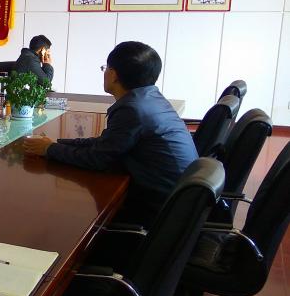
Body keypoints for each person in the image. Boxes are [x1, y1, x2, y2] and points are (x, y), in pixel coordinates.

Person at [23, 41, 198, 226]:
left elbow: (98, 159)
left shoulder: (132, 109)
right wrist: (57, 143)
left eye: (105, 68)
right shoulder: (149, 99)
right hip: (182, 202)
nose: (105, 72)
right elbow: (106, 144)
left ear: (113, 74)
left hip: (160, 215)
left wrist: (49, 149)